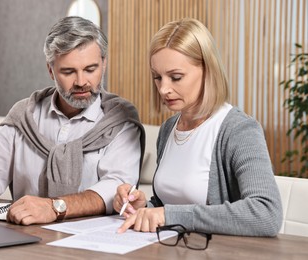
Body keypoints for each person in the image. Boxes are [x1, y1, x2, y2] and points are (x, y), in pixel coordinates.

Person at [0, 16, 145, 225]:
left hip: (94, 243)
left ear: (104, 64)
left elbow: (116, 186)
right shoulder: (24, 116)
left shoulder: (121, 120)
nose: (81, 82)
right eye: (68, 72)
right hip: (23, 236)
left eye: (90, 69)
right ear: (50, 70)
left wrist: (54, 207)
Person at [114, 18, 282, 237]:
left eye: (176, 77)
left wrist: (168, 215)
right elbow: (170, 205)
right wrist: (145, 209)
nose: (164, 89)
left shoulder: (238, 130)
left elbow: (267, 214)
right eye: (158, 77)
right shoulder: (168, 129)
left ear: (207, 70)